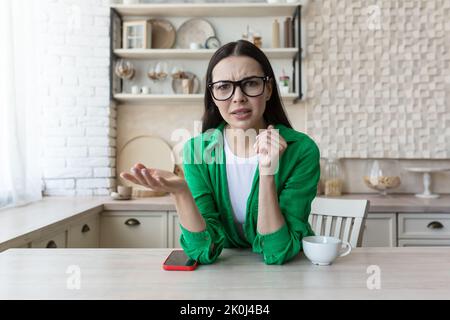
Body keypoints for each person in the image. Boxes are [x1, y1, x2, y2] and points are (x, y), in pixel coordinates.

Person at [120, 40, 320, 265]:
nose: (238, 97)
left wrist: (267, 173)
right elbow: (202, 250)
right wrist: (181, 193)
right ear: (213, 96)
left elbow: (278, 250)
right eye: (224, 86)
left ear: (268, 89)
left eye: (251, 83)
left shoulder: (301, 150)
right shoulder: (197, 151)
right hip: (225, 273)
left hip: (292, 274)